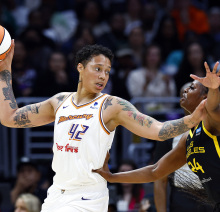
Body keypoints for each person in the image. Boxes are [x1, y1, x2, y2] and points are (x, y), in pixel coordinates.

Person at [0, 41, 206, 212]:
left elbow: (159, 131)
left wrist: (191, 119)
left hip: (87, 196)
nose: (103, 76)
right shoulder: (59, 101)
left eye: (107, 71)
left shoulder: (113, 106)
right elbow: (9, 117)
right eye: (97, 69)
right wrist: (4, 70)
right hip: (56, 193)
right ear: (80, 67)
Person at [93, 61, 220, 210]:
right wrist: (112, 177)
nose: (185, 91)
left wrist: (214, 89)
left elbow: (212, 106)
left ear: (204, 97)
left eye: (191, 88)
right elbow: (155, 171)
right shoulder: (188, 138)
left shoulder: (214, 122)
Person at [154, 82, 212, 212]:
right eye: (181, 94)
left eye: (190, 90)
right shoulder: (169, 132)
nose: (184, 95)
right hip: (183, 199)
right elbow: (159, 179)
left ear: (204, 97)